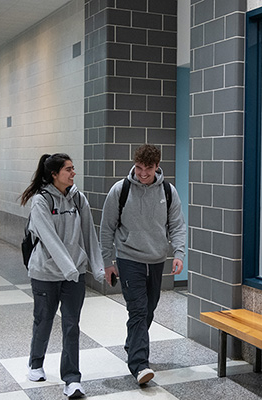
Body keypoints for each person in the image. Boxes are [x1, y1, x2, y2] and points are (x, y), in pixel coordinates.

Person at [20, 153, 105, 399]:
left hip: (74, 275)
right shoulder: (41, 201)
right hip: (45, 273)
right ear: (54, 174)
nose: (73, 173)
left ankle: (72, 379)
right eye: (68, 169)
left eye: (73, 168)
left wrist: (96, 267)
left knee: (71, 326)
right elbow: (49, 239)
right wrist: (67, 269)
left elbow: (89, 234)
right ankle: (35, 364)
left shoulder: (78, 198)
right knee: (43, 320)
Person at [100, 144, 186, 385]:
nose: (143, 173)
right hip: (129, 259)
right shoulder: (120, 190)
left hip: (157, 259)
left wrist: (178, 253)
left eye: (148, 168)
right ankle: (139, 365)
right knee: (137, 309)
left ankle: (132, 344)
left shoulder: (168, 191)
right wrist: (108, 262)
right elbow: (106, 229)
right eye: (139, 168)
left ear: (157, 166)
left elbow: (177, 225)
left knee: (149, 309)